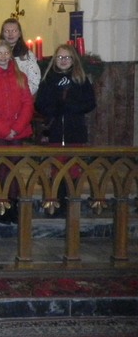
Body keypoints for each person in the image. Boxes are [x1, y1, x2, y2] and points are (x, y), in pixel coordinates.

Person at [35, 44, 96, 213]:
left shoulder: (81, 79)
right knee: (57, 168)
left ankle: (72, 206)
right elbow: (40, 104)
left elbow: (90, 103)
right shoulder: (49, 79)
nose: (63, 60)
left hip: (75, 130)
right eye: (60, 57)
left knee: (74, 168)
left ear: (73, 60)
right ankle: (55, 204)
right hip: (55, 131)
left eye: (67, 57)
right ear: (55, 60)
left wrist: (71, 107)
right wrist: (55, 108)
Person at [0, 39, 34, 224]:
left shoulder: (21, 77)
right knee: (2, 168)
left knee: (16, 167)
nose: (3, 56)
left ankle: (14, 202)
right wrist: (4, 130)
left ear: (10, 55)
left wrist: (16, 128)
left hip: (18, 130)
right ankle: (2, 203)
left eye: (6, 53)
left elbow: (27, 103)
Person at [0, 18, 41, 95]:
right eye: (7, 31)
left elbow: (34, 81)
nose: (10, 34)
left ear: (19, 34)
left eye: (14, 31)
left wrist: (19, 95)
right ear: (2, 34)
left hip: (21, 96)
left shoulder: (27, 55)